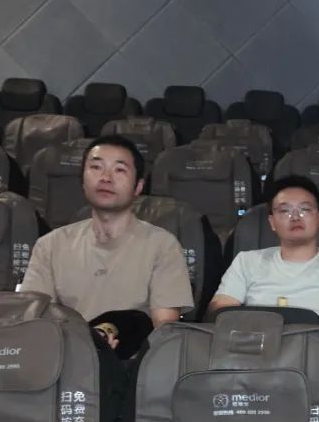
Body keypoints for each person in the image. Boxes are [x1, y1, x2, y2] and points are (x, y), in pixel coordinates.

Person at [20, 134, 193, 347]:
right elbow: (34, 320)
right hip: (65, 355)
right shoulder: (50, 245)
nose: (105, 177)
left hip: (133, 359)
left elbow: (164, 333)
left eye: (119, 170)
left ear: (138, 187)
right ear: (82, 180)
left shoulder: (163, 245)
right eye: (96, 167)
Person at [208, 175, 319, 341]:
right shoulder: (246, 261)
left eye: (304, 209)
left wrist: (310, 338)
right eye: (285, 211)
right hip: (257, 348)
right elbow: (219, 314)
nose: (295, 217)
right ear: (272, 222)